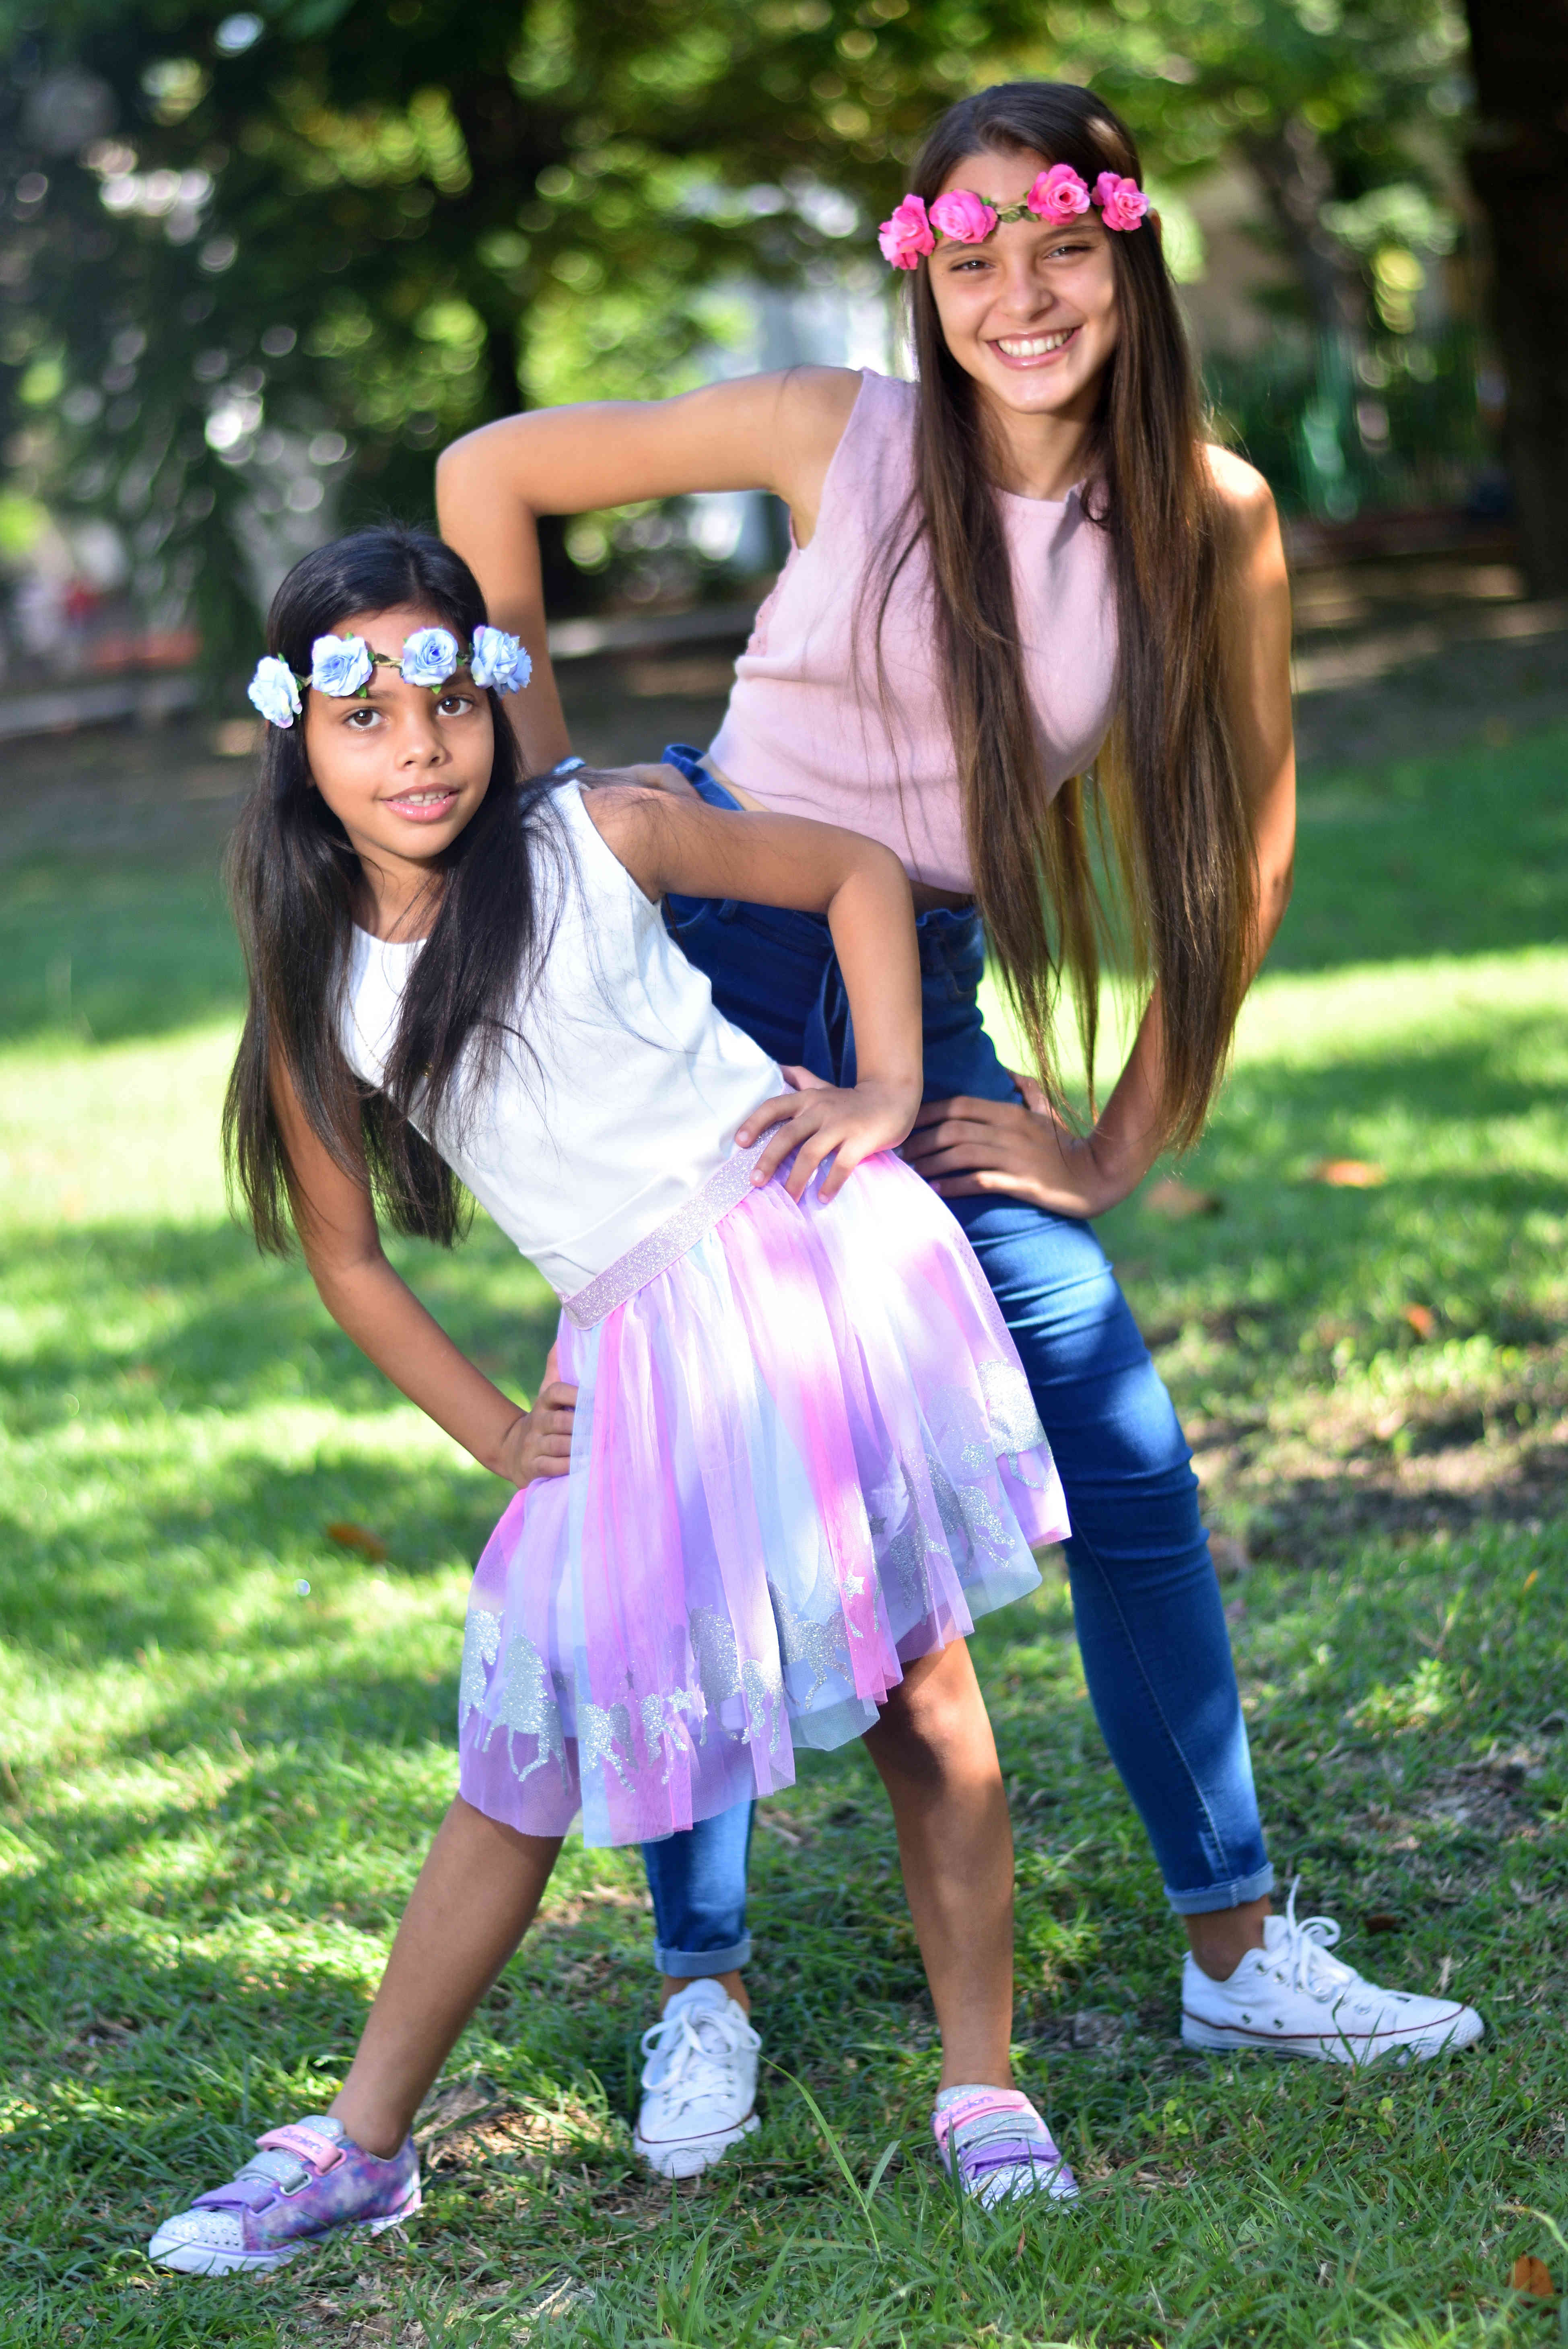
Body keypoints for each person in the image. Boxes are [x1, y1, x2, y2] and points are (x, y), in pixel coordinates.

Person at [435, 79, 1483, 2177]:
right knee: (697, 1471)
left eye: (1064, 246)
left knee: (1123, 1446)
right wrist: (548, 825)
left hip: (923, 999)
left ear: (1127, 259)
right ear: (925, 274)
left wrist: (1116, 1138)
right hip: (703, 977)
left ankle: (1232, 1946)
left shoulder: (1208, 514)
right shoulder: (837, 429)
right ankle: (700, 1983)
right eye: (974, 253)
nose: (1022, 294)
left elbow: (1248, 848)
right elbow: (490, 474)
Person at [147, 521, 1084, 2277]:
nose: (418, 747)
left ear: (496, 701)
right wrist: (499, 1434)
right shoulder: (317, 982)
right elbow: (349, 1257)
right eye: (365, 717)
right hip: (631, 1352)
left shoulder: (600, 831)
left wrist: (884, 1088)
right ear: (299, 741)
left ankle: (983, 2087)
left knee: (920, 1685)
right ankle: (359, 2145)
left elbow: (855, 872)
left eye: (448, 698)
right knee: (524, 1736)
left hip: (801, 1273)